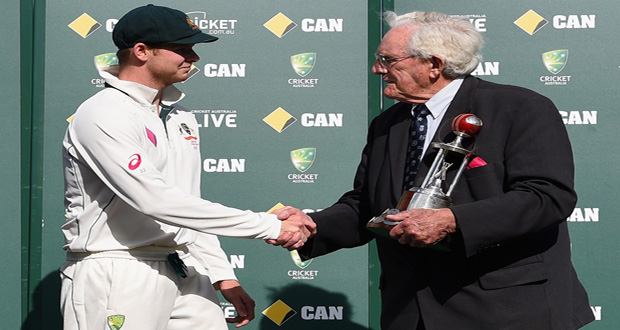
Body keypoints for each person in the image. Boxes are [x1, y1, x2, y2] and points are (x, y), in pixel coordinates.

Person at [273, 10, 594, 330]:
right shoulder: (388, 124)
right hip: (410, 314)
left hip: (504, 312)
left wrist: (453, 221)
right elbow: (368, 206)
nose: (376, 69)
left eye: (387, 60)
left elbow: (547, 197)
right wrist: (312, 224)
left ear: (434, 65)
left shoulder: (518, 107)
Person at [60, 4, 314, 330]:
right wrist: (270, 226)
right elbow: (156, 201)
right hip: (117, 269)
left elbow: (186, 204)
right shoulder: (103, 112)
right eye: (182, 49)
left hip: (182, 264)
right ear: (141, 51)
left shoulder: (181, 115)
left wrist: (222, 274)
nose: (193, 58)